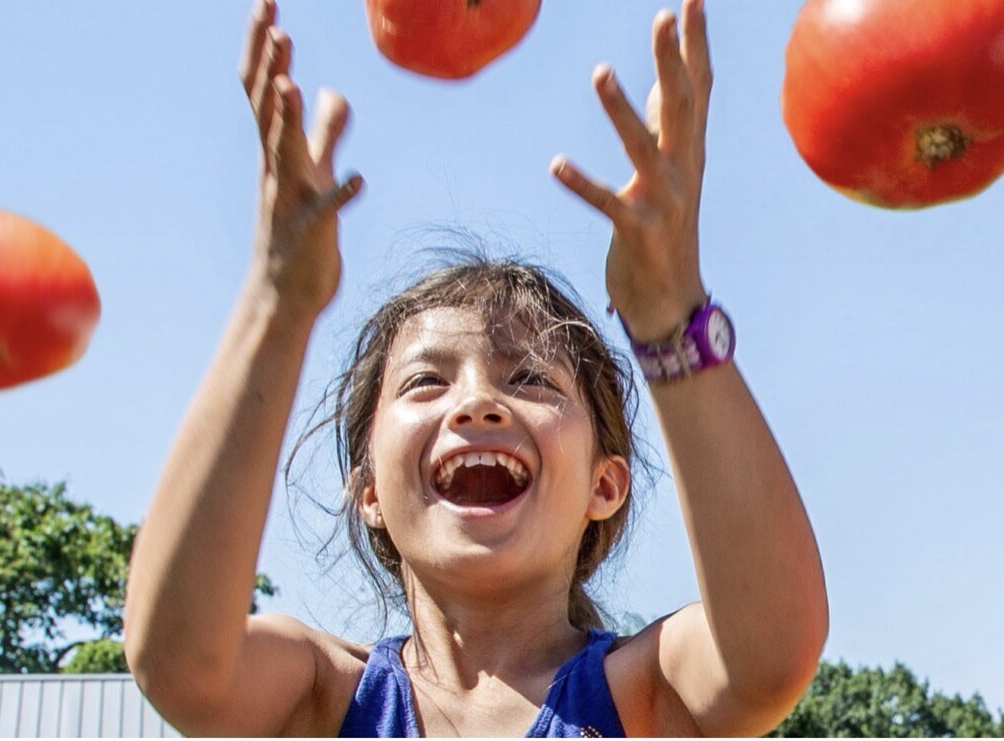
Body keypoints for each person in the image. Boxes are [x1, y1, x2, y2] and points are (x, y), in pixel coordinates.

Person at [123, 0, 828, 735]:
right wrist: (277, 304)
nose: (478, 403)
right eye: (427, 380)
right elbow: (178, 662)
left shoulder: (644, 694)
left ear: (605, 483)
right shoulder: (323, 697)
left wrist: (668, 314)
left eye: (531, 379)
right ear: (367, 490)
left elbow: (770, 653)